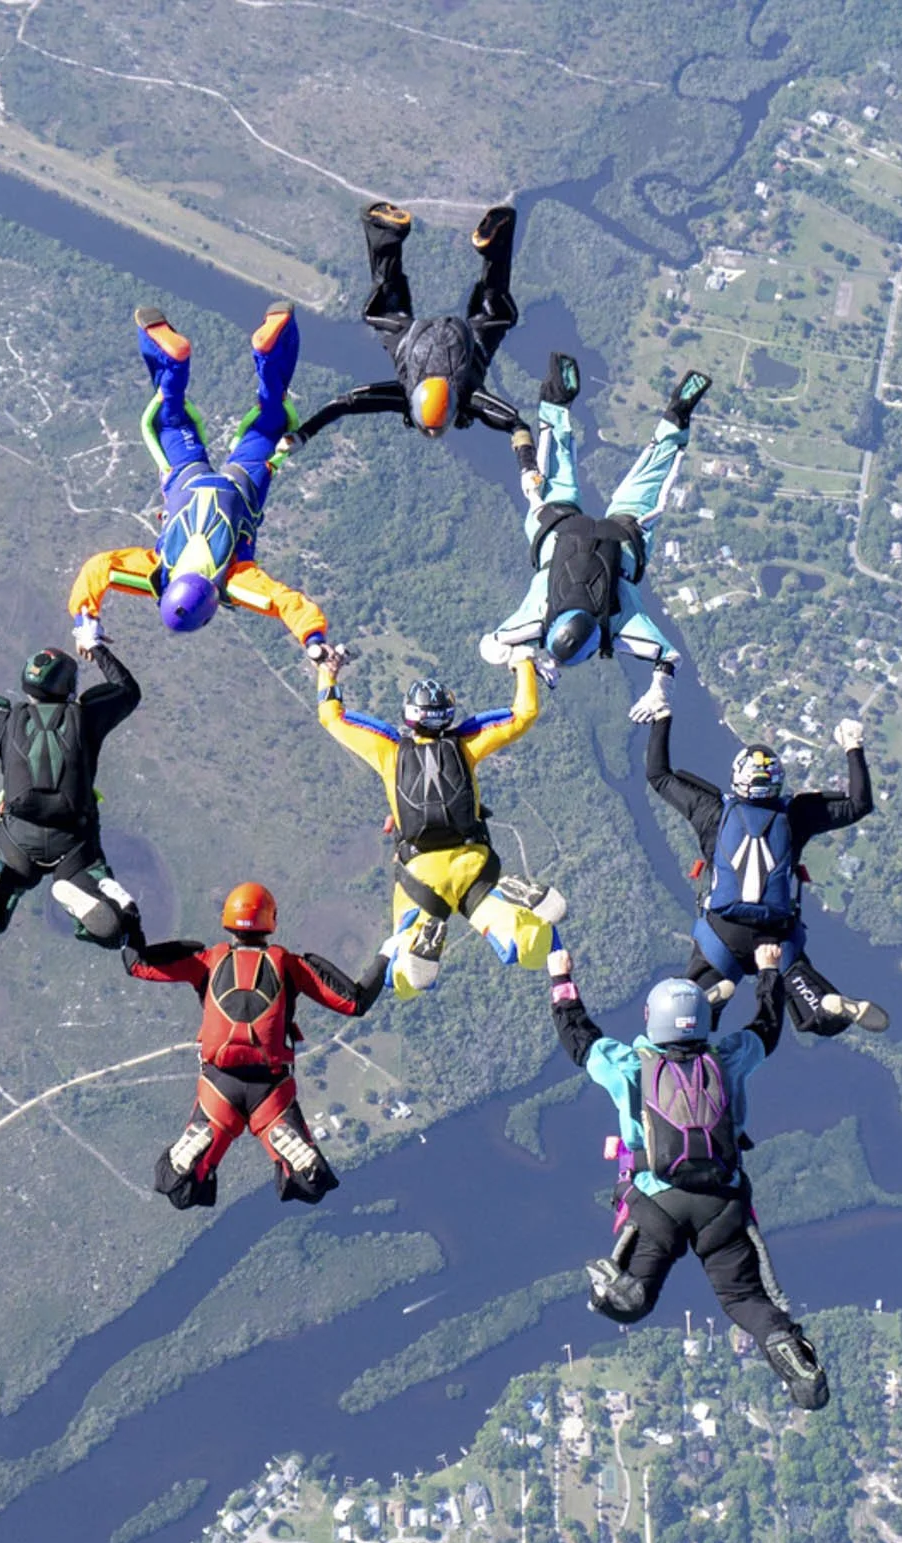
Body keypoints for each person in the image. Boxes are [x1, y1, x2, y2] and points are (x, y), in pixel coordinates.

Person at [545, 941, 827, 1410]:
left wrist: (561, 980)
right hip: (722, 1203)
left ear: (648, 1017)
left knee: (634, 1302)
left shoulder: (629, 1065)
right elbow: (767, 1028)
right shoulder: (730, 1056)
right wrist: (768, 971)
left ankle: (622, 1287)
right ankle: (787, 1349)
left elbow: (578, 1039)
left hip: (657, 1204)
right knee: (743, 1299)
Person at [67, 303, 342, 662]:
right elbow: (99, 568)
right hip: (188, 480)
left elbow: (285, 602)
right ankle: (173, 366)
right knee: (170, 419)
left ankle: (269, 353)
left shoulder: (236, 582)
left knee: (271, 421)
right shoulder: (157, 570)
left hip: (241, 485)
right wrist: (85, 620)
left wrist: (314, 641)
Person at [124, 882, 389, 1209]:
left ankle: (188, 1165)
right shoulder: (288, 965)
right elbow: (354, 1002)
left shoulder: (207, 960)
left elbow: (138, 965)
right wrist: (387, 954)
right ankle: (294, 1158)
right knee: (312, 1185)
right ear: (271, 920)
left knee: (181, 1193)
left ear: (227, 919)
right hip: (271, 1089)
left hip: (219, 1085)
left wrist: (127, 925)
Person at [316, 654, 566, 994]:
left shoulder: (390, 751)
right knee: (527, 946)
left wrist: (327, 673)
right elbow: (524, 714)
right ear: (447, 716)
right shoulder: (465, 745)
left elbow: (332, 717)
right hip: (473, 862)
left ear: (409, 715)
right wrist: (523, 665)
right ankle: (518, 912)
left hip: (420, 871)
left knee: (403, 972)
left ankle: (420, 940)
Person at [483, 354, 709, 724]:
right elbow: (490, 645)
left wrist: (659, 689)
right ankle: (555, 401)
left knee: (649, 484)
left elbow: (668, 658)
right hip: (558, 531)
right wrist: (521, 655)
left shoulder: (619, 628)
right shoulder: (536, 620)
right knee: (553, 475)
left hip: (622, 539)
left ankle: (676, 418)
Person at [644, 708, 888, 1037]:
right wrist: (853, 745)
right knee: (817, 1013)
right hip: (777, 936)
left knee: (683, 1015)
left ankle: (708, 998)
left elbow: (658, 775)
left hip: (722, 936)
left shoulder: (712, 811)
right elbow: (859, 804)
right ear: (777, 782)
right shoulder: (797, 815)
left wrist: (662, 716)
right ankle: (823, 1005)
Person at [0, 608, 143, 946]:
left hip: (17, 839)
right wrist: (96, 645)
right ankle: (80, 894)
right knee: (118, 929)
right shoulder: (86, 717)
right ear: (70, 686)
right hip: (74, 840)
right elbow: (128, 690)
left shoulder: (4, 720)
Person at [283, 201, 530, 449]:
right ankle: (384, 229)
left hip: (454, 344)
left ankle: (498, 237)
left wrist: (528, 469)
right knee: (385, 309)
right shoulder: (406, 395)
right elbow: (344, 403)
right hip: (411, 340)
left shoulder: (470, 397)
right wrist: (301, 436)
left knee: (495, 315)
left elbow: (517, 425)